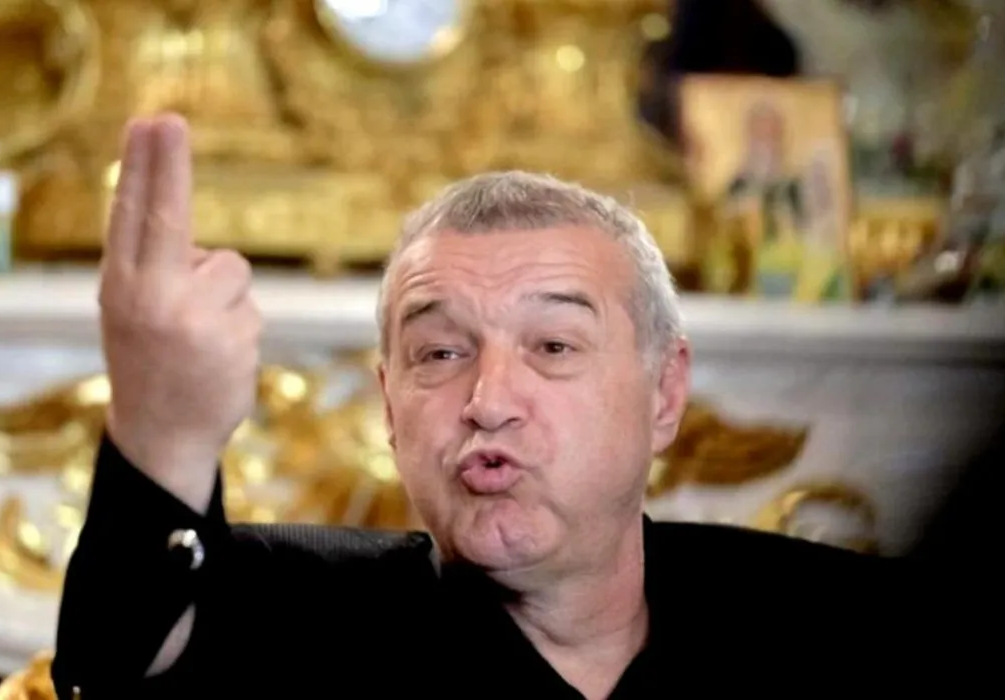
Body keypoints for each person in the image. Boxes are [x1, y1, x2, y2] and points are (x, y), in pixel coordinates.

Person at [51, 115, 909, 698]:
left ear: (664, 392)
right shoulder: (298, 614)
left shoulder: (836, 626)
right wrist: (162, 431)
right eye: (440, 353)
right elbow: (126, 651)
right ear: (390, 408)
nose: (488, 402)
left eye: (553, 346)